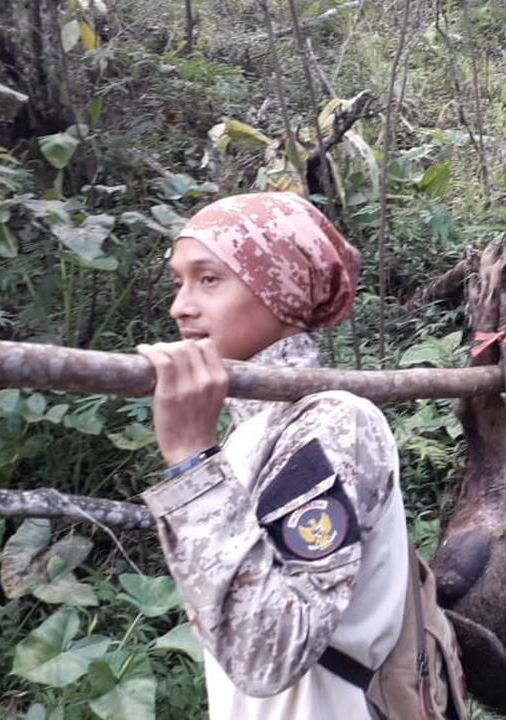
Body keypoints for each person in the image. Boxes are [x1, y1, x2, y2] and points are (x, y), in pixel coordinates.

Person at [136, 192, 409, 719]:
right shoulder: (251, 431)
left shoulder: (332, 422)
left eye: (208, 279)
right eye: (178, 282)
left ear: (279, 286)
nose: (180, 306)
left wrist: (191, 461)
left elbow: (269, 657)